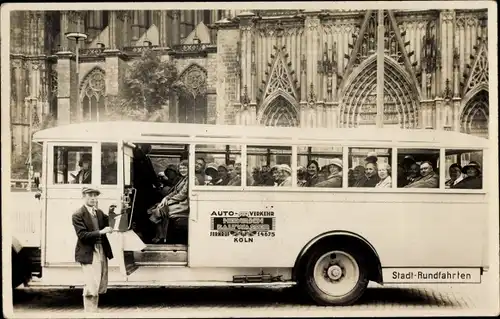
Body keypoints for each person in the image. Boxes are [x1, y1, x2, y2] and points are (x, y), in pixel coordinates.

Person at [71, 187, 114, 313]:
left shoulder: (98, 213)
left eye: (95, 196)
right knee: (91, 283)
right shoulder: (78, 214)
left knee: (100, 280)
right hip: (88, 251)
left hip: (101, 250)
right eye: (90, 195)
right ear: (83, 196)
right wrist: (101, 232)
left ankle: (93, 310)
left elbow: (111, 222)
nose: (93, 198)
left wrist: (114, 212)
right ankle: (90, 312)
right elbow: (82, 235)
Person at [157, 160, 190, 244]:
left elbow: (182, 195)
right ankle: (162, 236)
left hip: (185, 204)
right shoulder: (183, 179)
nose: (182, 170)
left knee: (161, 210)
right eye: (181, 168)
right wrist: (166, 198)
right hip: (180, 202)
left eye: (185, 168)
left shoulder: (190, 180)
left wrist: (168, 202)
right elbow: (175, 192)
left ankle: (163, 237)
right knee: (158, 208)